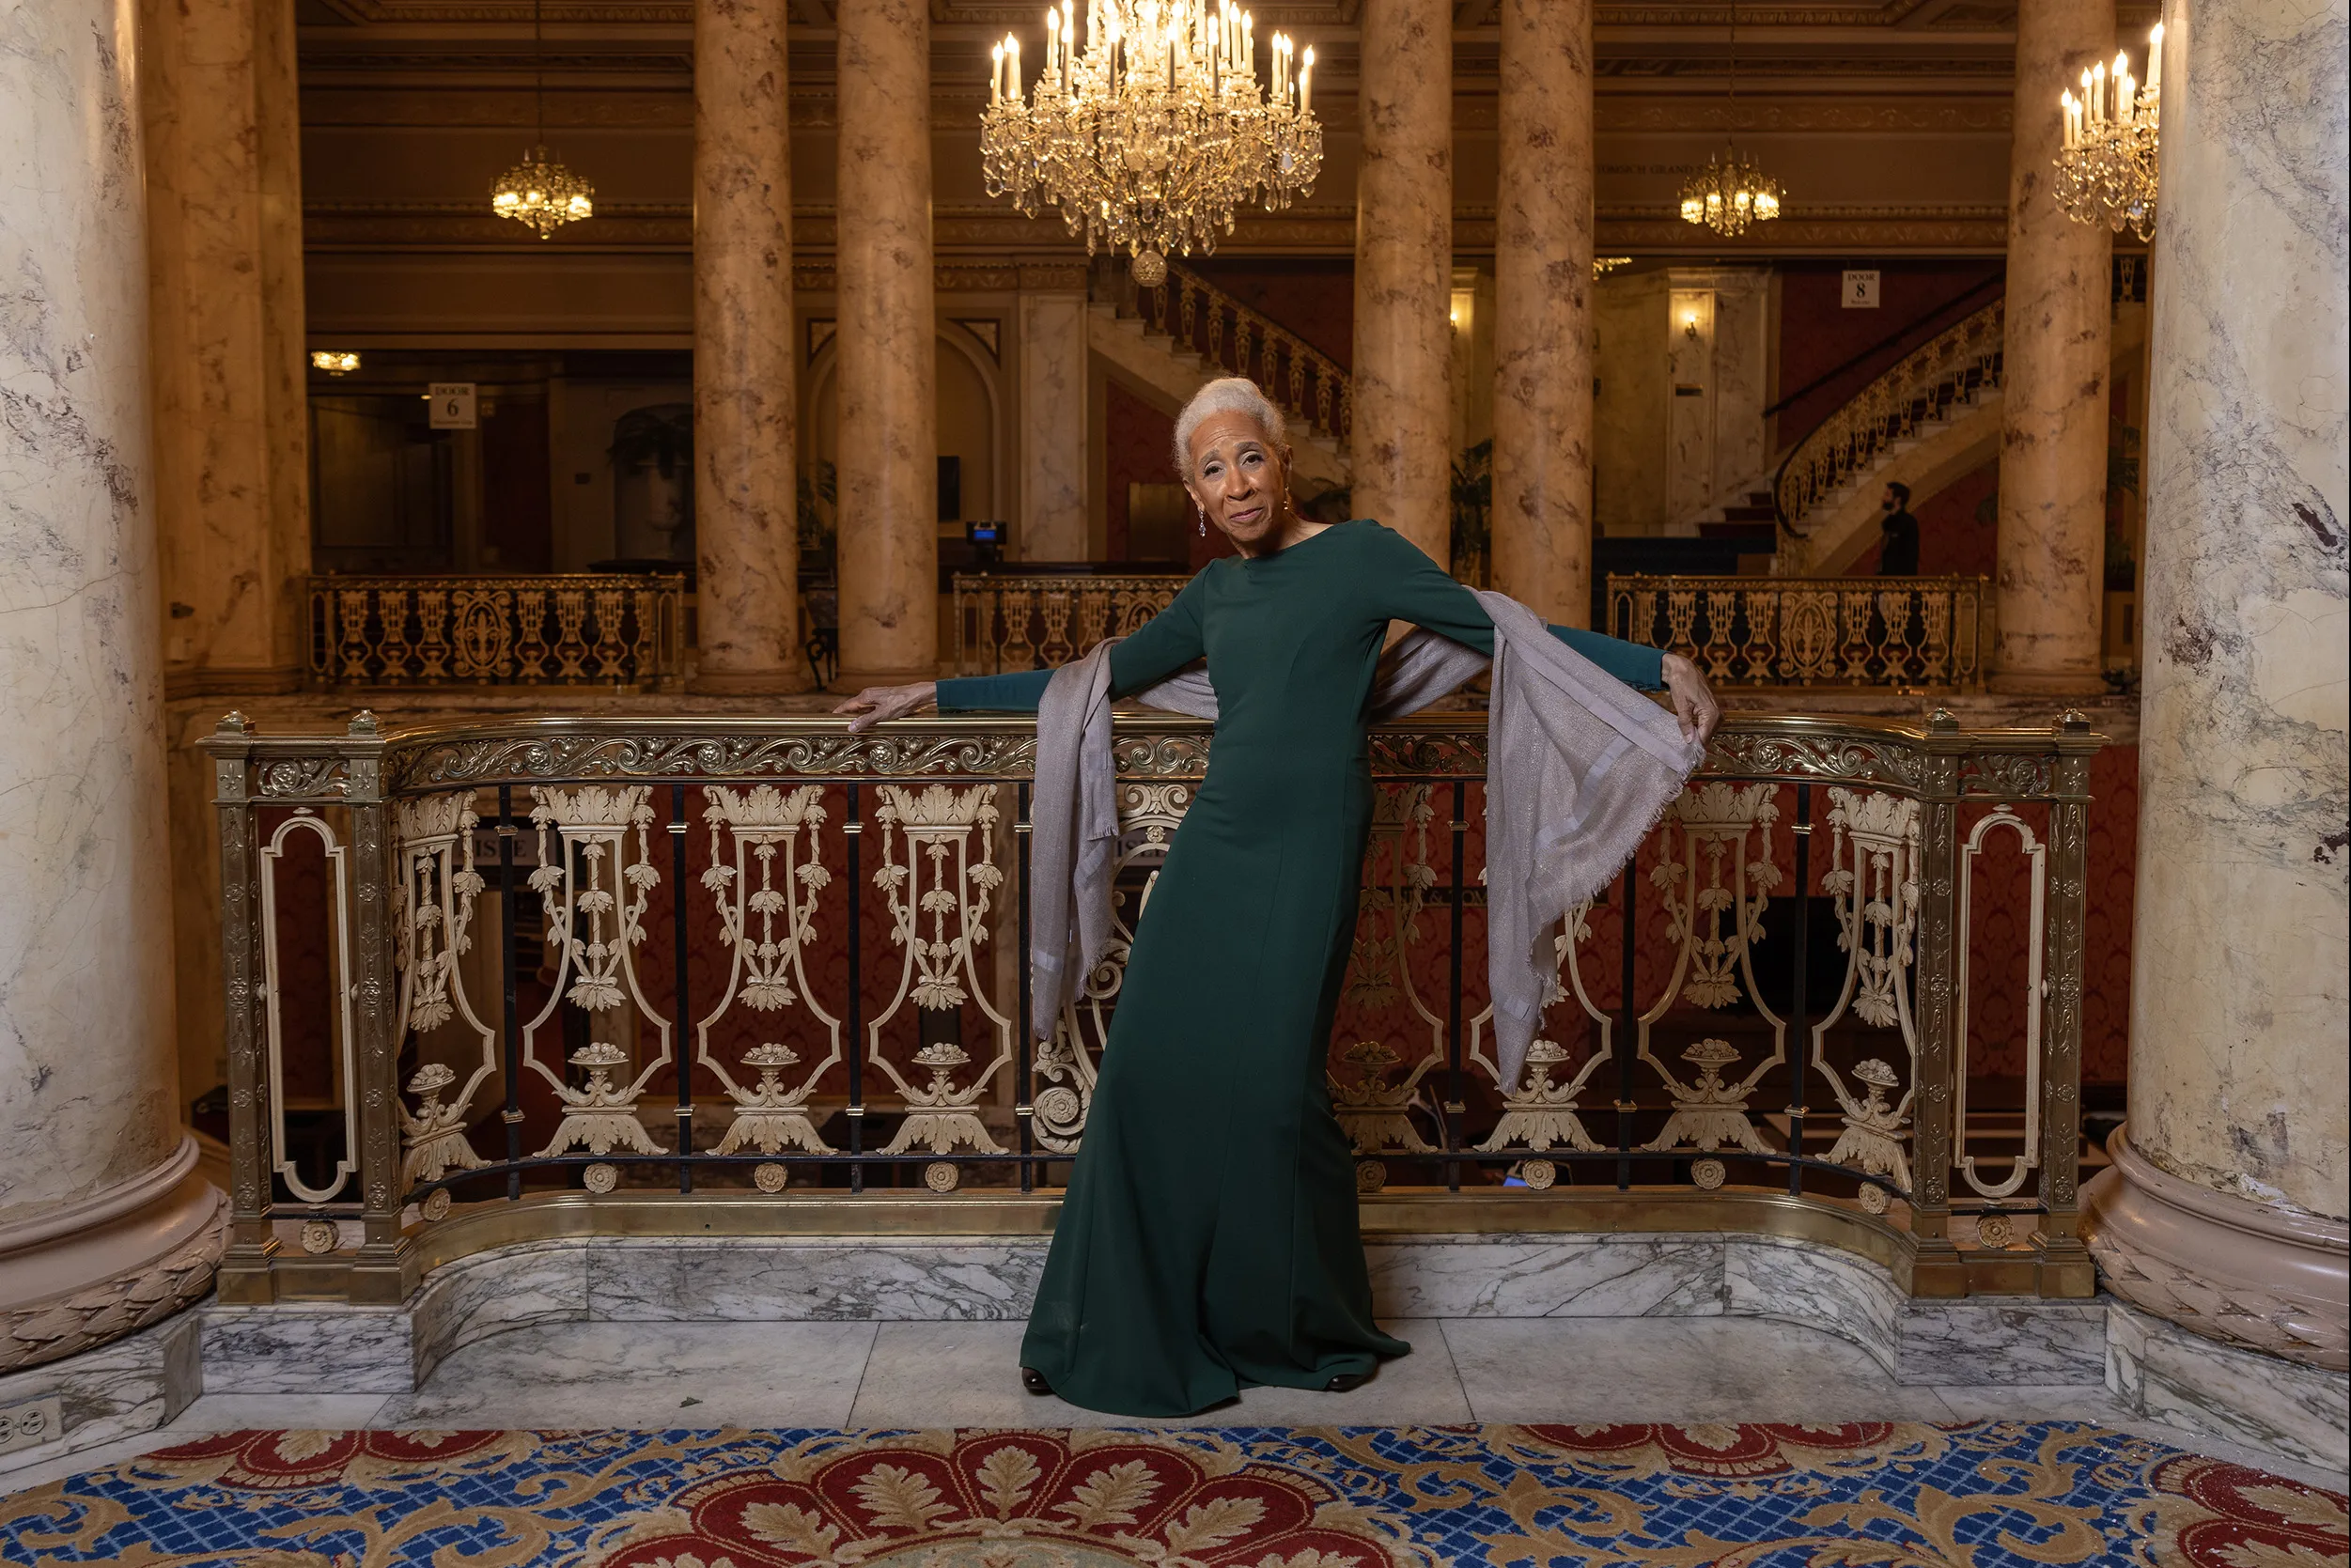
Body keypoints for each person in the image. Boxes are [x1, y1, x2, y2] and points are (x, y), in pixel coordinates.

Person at [835, 378, 1721, 1418]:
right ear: (1194, 493)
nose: (1236, 483)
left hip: (1309, 847)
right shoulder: (1214, 596)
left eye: (1248, 457)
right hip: (1216, 845)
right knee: (1143, 1074)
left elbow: (1508, 635)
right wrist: (931, 691)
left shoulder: (1362, 554)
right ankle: (1105, 1320)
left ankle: (1292, 1319)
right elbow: (1094, 677)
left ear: (1283, 457)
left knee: (1267, 1095)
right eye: (1212, 470)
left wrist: (1660, 664)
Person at [1877, 481, 1921, 574]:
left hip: (1902, 582)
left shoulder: (1909, 523)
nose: (1883, 498)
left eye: (1887, 495)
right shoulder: (1887, 522)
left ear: (1897, 500)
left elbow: (1911, 557)